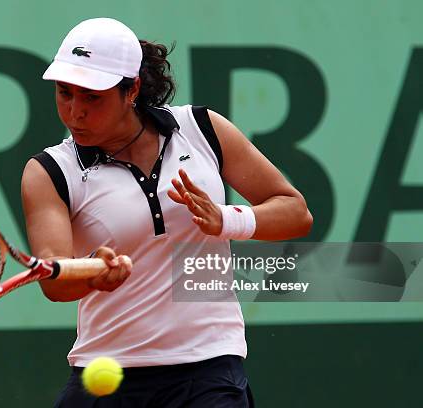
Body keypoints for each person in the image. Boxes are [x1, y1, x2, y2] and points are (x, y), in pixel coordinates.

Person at [21, 17, 312, 407]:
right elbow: (54, 278)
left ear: (132, 90)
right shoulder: (49, 171)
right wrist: (94, 272)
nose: (75, 113)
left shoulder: (202, 129)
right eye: (64, 93)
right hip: (106, 371)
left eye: (92, 97)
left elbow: (295, 212)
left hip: (208, 368)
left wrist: (226, 220)